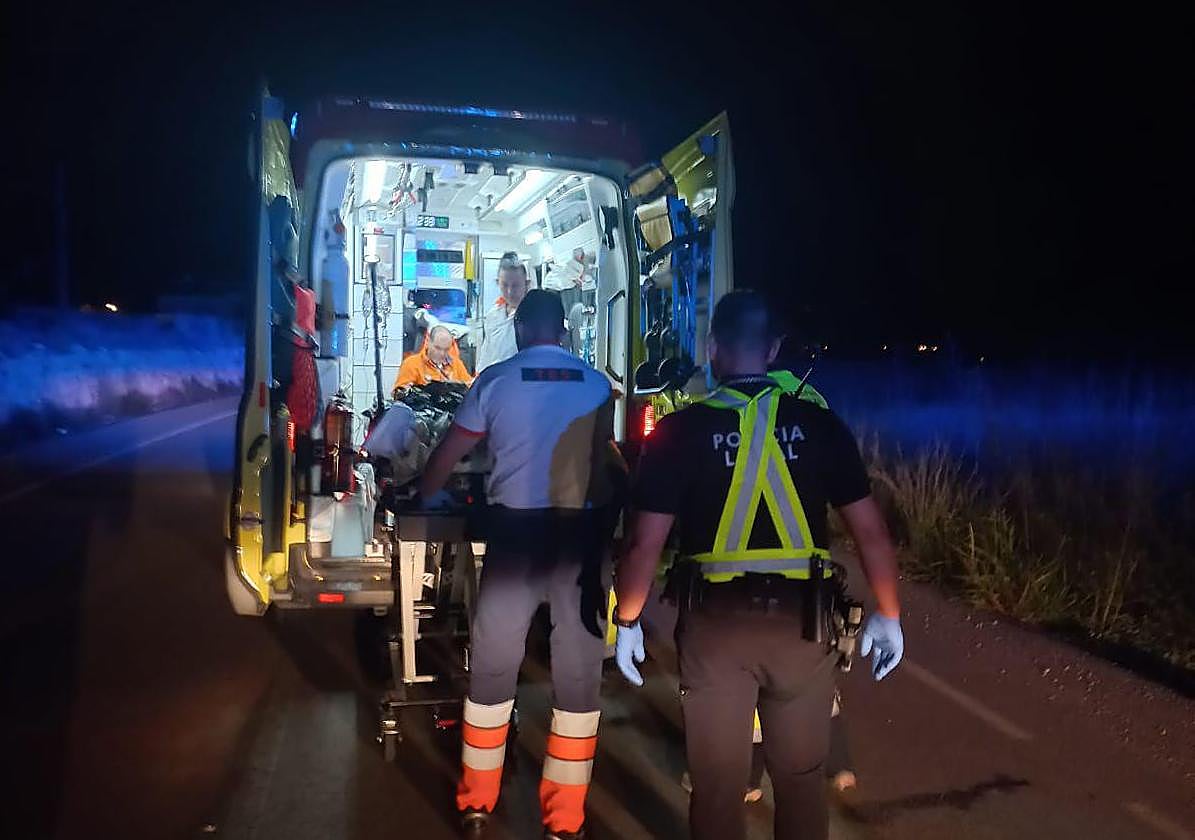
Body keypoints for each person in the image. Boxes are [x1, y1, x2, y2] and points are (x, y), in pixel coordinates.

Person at [612, 290, 904, 840]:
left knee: (718, 788)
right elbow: (870, 532)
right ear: (772, 350)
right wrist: (888, 613)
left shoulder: (680, 431)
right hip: (803, 626)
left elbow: (642, 546)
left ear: (711, 348)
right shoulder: (819, 424)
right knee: (800, 781)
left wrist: (626, 621)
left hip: (715, 628)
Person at [418, 290, 615, 840]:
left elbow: (452, 451)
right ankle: (564, 822)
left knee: (493, 670)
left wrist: (424, 495)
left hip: (515, 539)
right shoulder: (599, 385)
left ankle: (477, 805)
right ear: (564, 332)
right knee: (578, 683)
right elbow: (605, 464)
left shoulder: (496, 381)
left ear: (522, 329)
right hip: (580, 541)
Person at [475, 252, 530, 372]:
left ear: (526, 284)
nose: (510, 292)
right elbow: (486, 357)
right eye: (505, 285)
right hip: (494, 383)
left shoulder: (536, 317)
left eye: (515, 286)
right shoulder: (492, 316)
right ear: (497, 283)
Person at [394, 324, 474, 390]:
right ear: (428, 342)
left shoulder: (457, 364)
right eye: (438, 348)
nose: (442, 353)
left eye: (446, 349)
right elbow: (399, 394)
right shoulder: (411, 364)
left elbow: (470, 388)